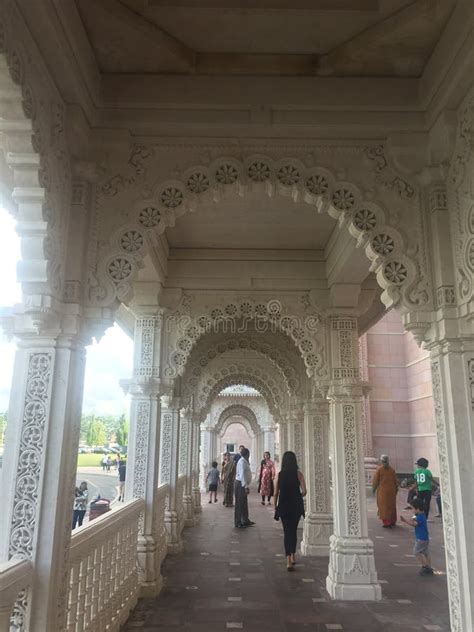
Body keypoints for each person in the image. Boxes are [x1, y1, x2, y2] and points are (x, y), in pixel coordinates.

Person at [274, 451, 306, 571]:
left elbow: (276, 492)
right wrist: (297, 494)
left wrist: (275, 507)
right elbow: (304, 491)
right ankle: (293, 555)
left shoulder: (280, 475)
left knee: (287, 532)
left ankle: (288, 559)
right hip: (296, 506)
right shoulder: (299, 474)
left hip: (284, 506)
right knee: (293, 530)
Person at [400, 497, 434, 576]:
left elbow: (414, 524)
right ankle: (429, 566)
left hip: (421, 539)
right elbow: (414, 519)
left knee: (416, 552)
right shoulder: (422, 515)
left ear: (417, 508)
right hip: (425, 538)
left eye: (413, 509)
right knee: (425, 552)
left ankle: (425, 567)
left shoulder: (419, 517)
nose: (412, 510)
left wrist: (405, 521)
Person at [372, 454, 398, 527]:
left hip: (383, 491)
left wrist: (373, 489)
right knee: (391, 505)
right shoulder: (392, 470)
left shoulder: (379, 469)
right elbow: (396, 482)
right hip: (392, 491)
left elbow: (375, 481)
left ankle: (387, 523)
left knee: (384, 506)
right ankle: (393, 521)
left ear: (381, 461)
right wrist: (396, 491)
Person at [234, 447, 254, 528]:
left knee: (244, 503)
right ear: (247, 454)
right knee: (239, 503)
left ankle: (245, 520)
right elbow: (242, 475)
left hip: (243, 484)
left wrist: (247, 485)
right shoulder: (242, 462)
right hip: (240, 484)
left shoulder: (245, 461)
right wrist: (245, 486)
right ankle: (238, 522)